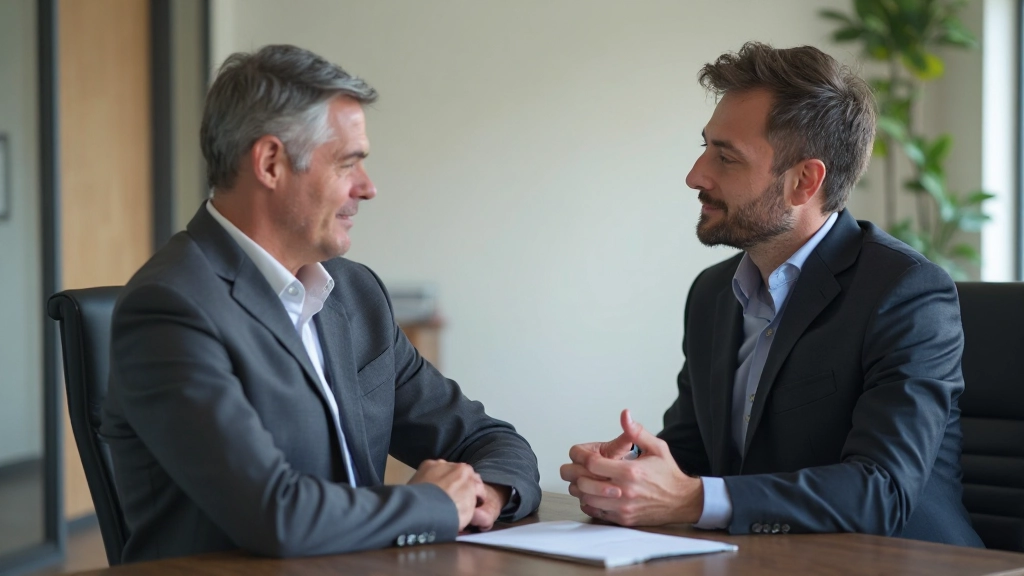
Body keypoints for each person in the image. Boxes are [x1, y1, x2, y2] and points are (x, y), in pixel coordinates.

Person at [102, 44, 541, 563]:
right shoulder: (170, 309)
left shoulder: (355, 294)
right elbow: (276, 516)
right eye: (348, 163)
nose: (369, 188)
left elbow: (488, 439)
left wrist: (485, 493)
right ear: (270, 163)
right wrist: (429, 504)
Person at [561, 42, 982, 547]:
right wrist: (630, 474)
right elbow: (696, 454)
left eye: (726, 157)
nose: (696, 176)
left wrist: (691, 499)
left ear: (805, 180)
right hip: (767, 558)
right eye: (705, 148)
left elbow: (882, 492)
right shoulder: (713, 293)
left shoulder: (906, 293)